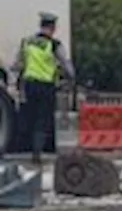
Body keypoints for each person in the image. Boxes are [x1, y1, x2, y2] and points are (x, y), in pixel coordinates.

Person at [8, 12, 75, 159]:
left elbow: (17, 64)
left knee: (28, 116)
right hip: (46, 86)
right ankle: (37, 152)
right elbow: (67, 67)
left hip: (29, 85)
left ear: (41, 26)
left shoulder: (27, 42)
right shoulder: (54, 45)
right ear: (53, 27)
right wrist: (69, 79)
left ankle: (25, 146)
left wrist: (12, 83)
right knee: (42, 119)